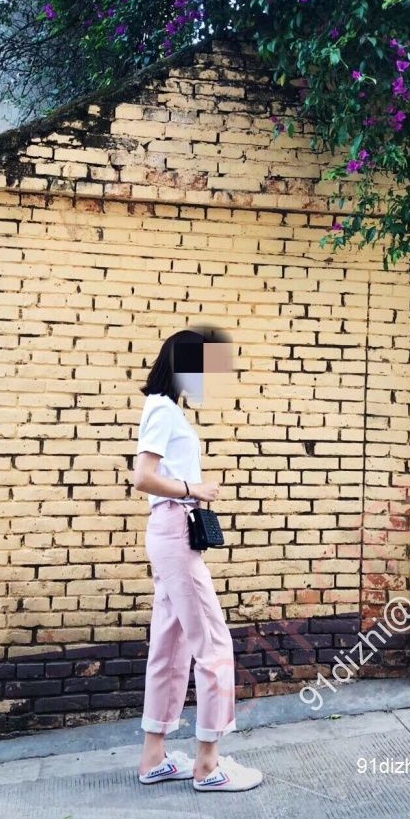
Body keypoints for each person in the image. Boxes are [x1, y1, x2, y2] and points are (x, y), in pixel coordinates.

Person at [132, 326, 263, 793]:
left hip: (170, 531)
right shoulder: (163, 410)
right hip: (174, 529)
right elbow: (143, 477)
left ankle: (154, 759)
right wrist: (196, 489)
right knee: (214, 645)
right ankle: (209, 765)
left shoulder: (165, 409)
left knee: (169, 646)